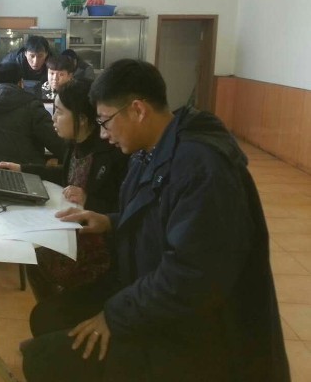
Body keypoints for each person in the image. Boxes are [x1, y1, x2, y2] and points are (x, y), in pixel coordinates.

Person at [21, 59, 290, 382]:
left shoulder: (202, 168)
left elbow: (193, 276)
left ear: (138, 110)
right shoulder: (150, 150)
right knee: (47, 317)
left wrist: (114, 316)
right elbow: (159, 218)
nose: (103, 134)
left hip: (192, 329)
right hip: (145, 291)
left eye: (106, 122)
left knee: (44, 361)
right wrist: (110, 221)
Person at [0, 79, 128, 300]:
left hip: (98, 241)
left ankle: (66, 308)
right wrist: (21, 169)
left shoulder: (111, 152)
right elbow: (66, 175)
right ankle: (56, 308)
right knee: (34, 253)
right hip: (72, 228)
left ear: (82, 119)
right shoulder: (75, 143)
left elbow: (123, 208)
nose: (53, 118)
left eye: (59, 111)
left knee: (38, 258)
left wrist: (88, 199)